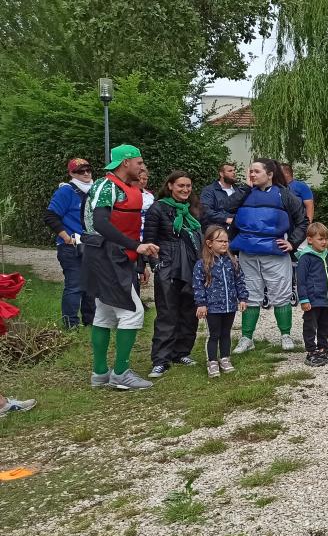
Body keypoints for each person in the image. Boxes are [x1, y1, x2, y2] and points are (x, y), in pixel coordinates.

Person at [83, 144, 160, 390]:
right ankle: (120, 373)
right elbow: (101, 223)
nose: (142, 166)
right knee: (133, 312)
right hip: (106, 256)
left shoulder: (128, 188)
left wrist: (135, 256)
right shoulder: (106, 186)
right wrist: (135, 246)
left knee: (104, 313)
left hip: (117, 256)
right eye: (139, 162)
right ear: (125, 162)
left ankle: (100, 374)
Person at [226, 158, 309, 353]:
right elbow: (228, 207)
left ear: (269, 174)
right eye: (250, 172)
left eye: (256, 172)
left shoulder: (284, 195)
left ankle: (285, 335)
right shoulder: (244, 193)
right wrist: (245, 189)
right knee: (250, 294)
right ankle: (247, 338)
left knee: (280, 294)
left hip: (275, 252)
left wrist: (293, 242)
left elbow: (302, 220)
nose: (252, 175)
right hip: (248, 253)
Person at [144, 172, 203, 378]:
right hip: (168, 265)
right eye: (180, 186)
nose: (185, 190)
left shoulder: (192, 210)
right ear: (170, 186)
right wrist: (155, 265)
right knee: (167, 313)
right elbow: (149, 240)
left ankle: (181, 352)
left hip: (192, 265)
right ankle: (161, 359)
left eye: (188, 186)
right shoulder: (158, 208)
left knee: (189, 310)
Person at [44, 157, 96, 328]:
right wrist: (66, 237)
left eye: (88, 169)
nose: (86, 173)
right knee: (75, 285)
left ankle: (90, 321)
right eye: (81, 171)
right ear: (72, 173)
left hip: (91, 245)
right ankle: (71, 324)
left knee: (90, 286)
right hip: (71, 246)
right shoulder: (65, 191)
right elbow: (51, 216)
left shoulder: (94, 190)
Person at [192, 226, 249, 377]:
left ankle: (225, 358)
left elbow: (240, 281)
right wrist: (201, 304)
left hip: (230, 306)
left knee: (226, 333)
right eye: (220, 241)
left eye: (226, 241)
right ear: (209, 243)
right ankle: (211, 361)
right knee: (214, 334)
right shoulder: (202, 264)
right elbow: (198, 286)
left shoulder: (233, 261)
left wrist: (242, 298)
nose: (225, 244)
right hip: (212, 308)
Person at [296, 222, 328, 367]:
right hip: (312, 299)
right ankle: (311, 351)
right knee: (310, 325)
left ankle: (322, 347)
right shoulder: (305, 258)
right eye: (320, 239)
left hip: (326, 299)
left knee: (325, 324)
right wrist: (304, 299)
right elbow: (301, 281)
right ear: (310, 240)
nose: (324, 242)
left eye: (326, 239)